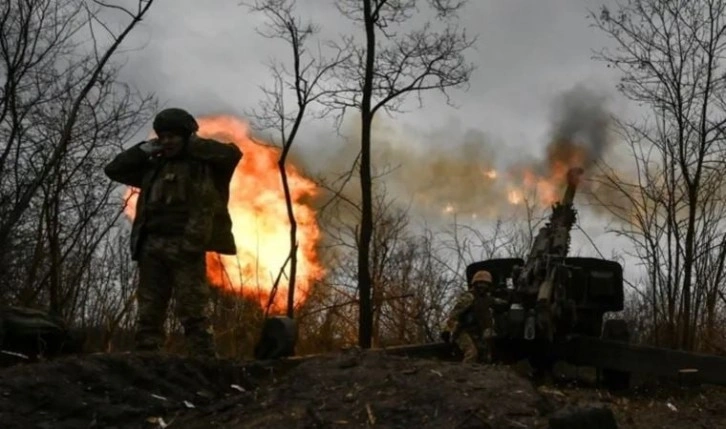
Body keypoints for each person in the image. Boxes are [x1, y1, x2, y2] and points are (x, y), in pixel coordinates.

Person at [104, 108, 242, 357]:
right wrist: (144, 149)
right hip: (151, 246)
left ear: (186, 136)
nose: (167, 141)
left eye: (173, 136)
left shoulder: (205, 166)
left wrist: (193, 144)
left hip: (186, 245)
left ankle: (203, 362)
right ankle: (148, 358)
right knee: (149, 310)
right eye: (163, 136)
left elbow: (231, 154)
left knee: (193, 309)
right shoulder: (154, 167)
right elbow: (113, 169)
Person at [441, 270, 497, 363]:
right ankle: (464, 376)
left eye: (485, 284)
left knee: (485, 356)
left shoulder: (487, 299)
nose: (483, 286)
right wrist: (446, 330)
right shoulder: (469, 297)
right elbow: (454, 314)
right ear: (475, 284)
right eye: (480, 283)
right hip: (462, 331)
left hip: (477, 333)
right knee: (472, 354)